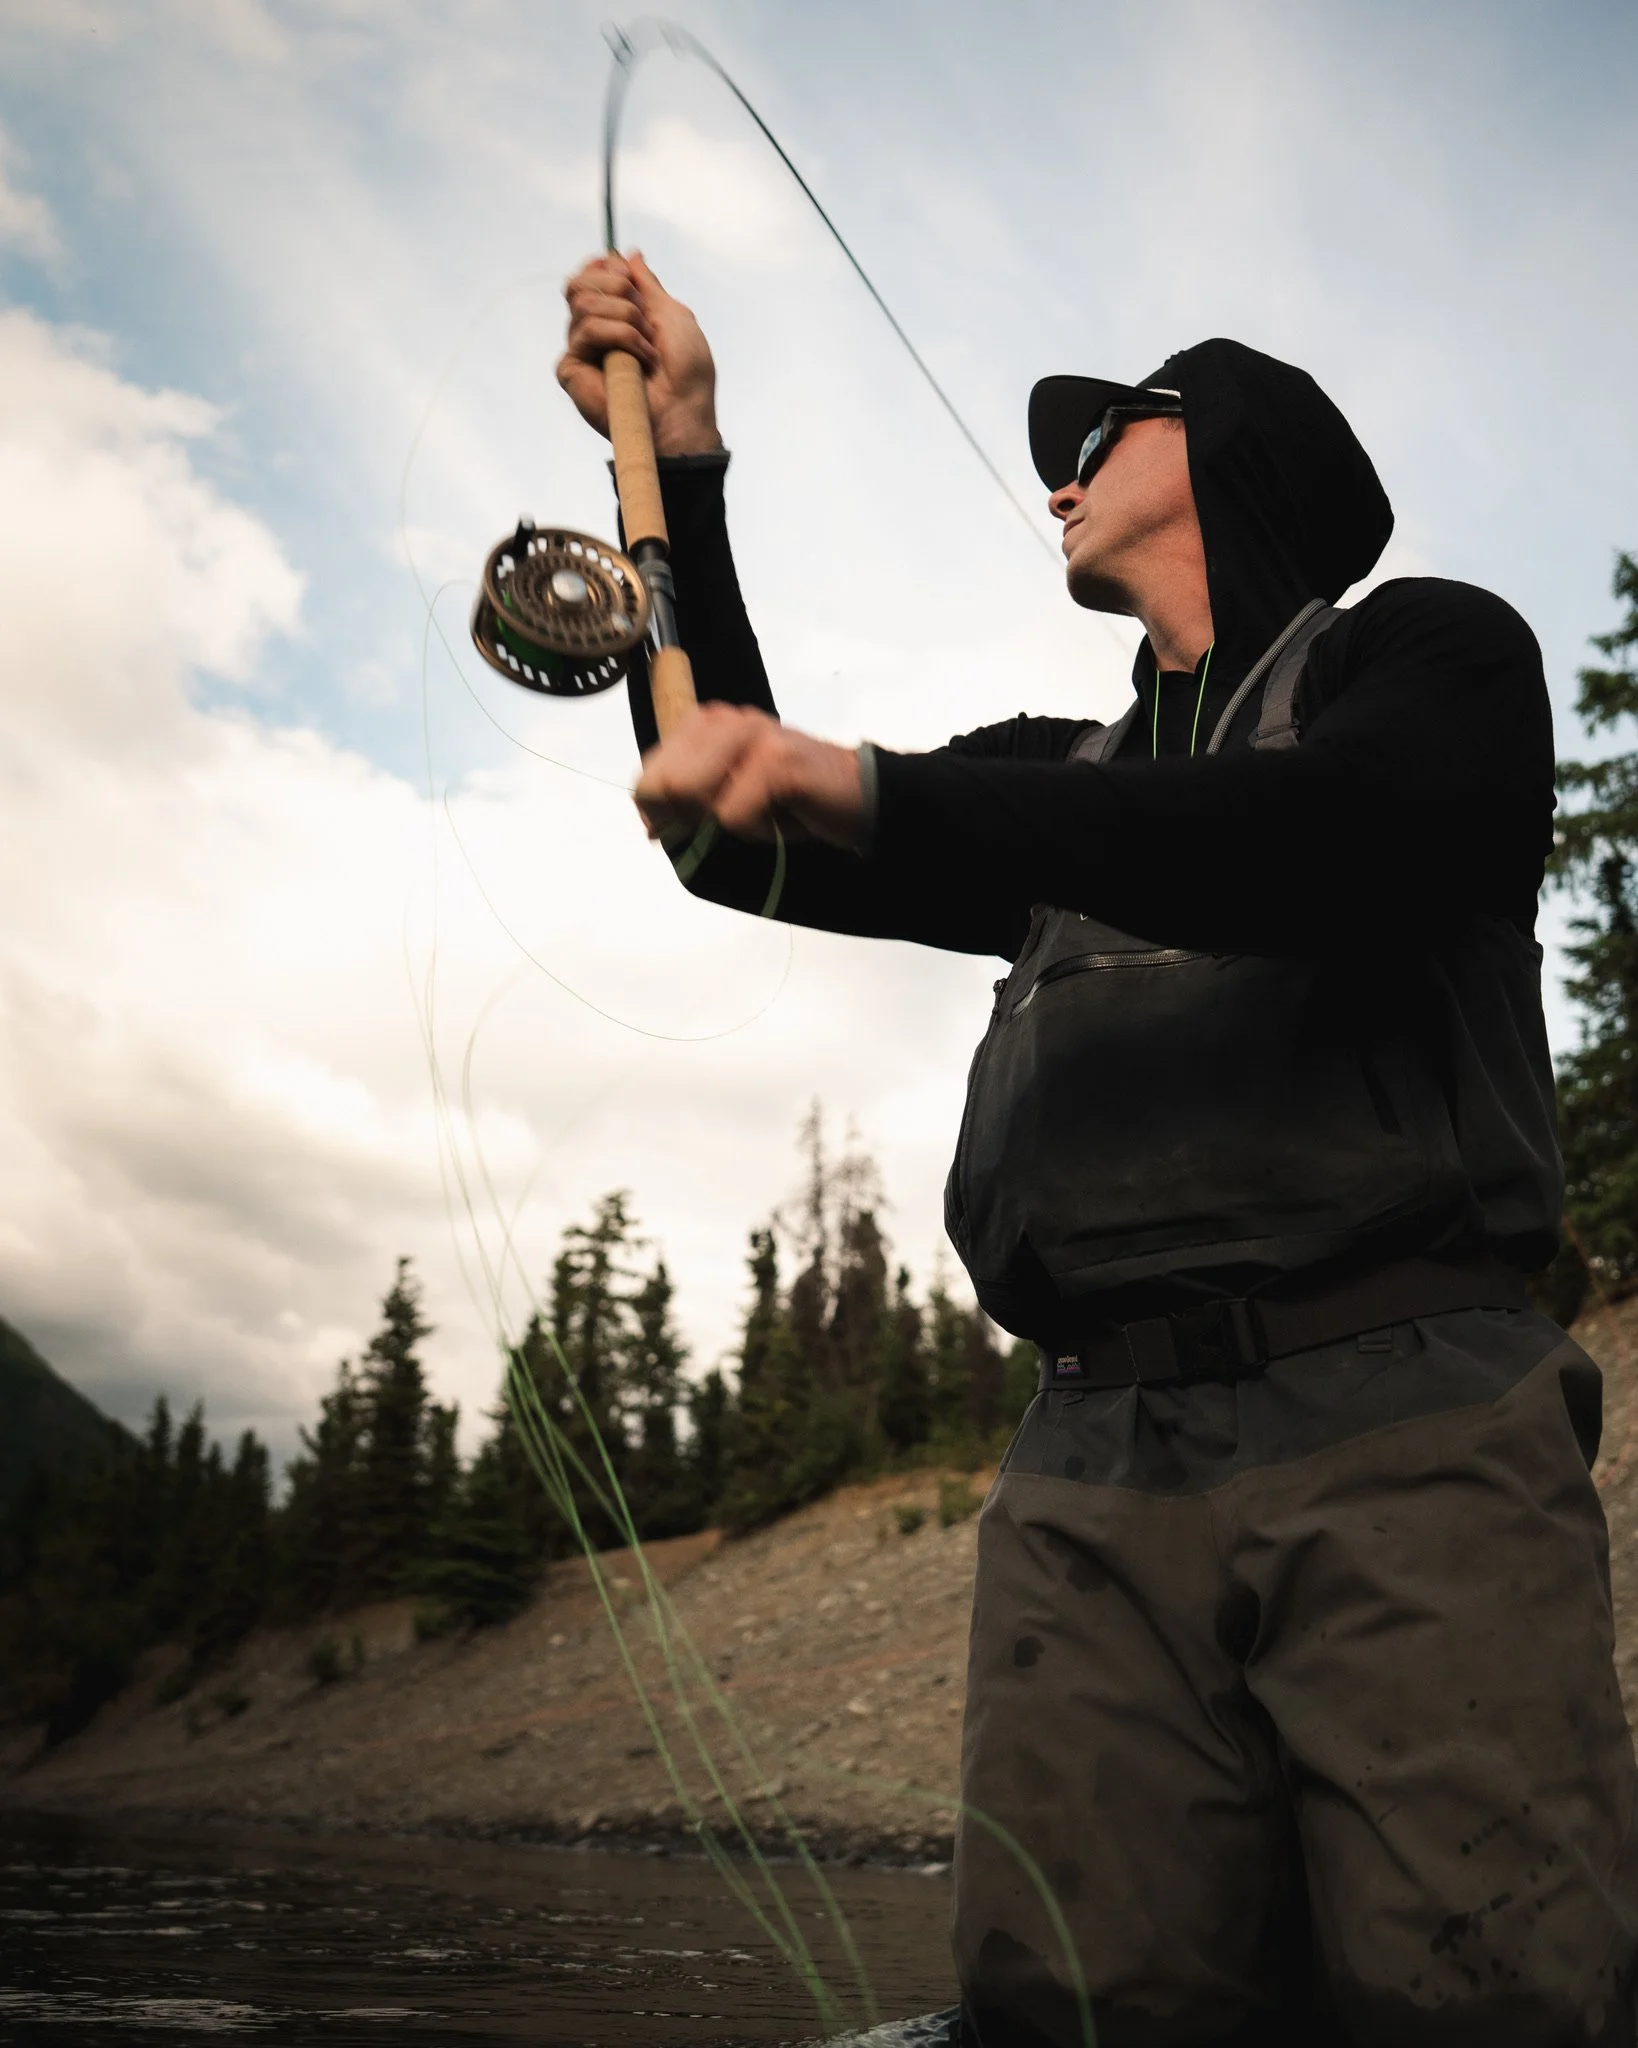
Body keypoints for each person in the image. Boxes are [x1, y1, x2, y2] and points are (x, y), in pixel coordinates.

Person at [558, 251, 1638, 2046]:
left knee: (1489, 1990)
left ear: (1234, 452)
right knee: (1067, 2001)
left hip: (1413, 1425)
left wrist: (876, 786)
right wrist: (668, 474)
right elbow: (736, 818)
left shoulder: (1433, 658)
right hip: (1081, 1476)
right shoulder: (1050, 771)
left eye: (1107, 425)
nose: (1058, 463)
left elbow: (1327, 831)